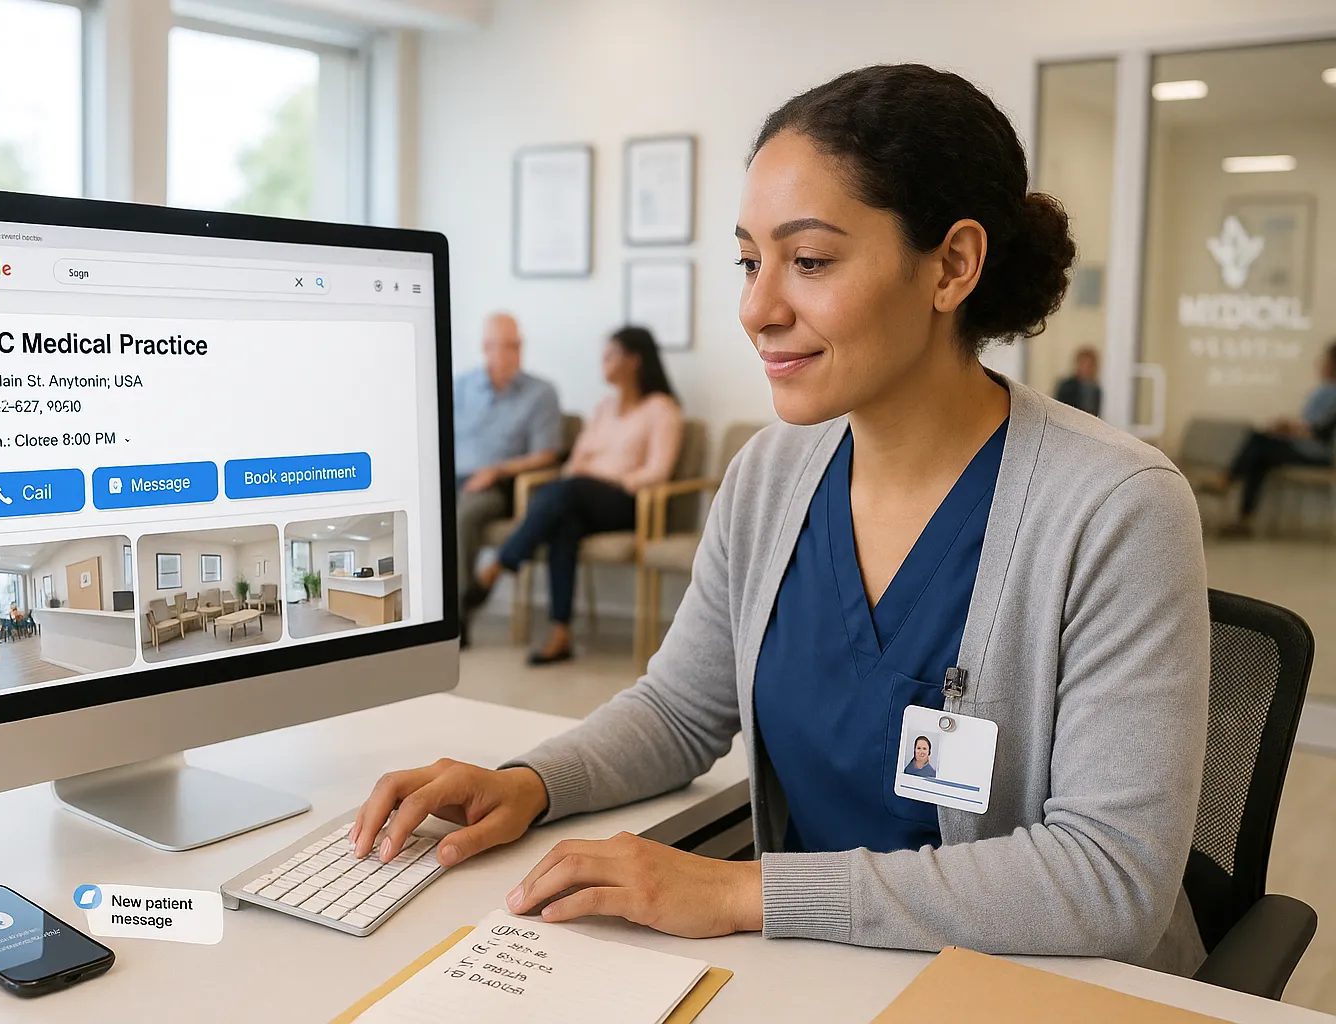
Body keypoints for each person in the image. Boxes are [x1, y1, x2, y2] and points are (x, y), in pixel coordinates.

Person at [352, 65, 1209, 974]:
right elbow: (680, 710)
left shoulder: (1116, 507)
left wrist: (737, 892)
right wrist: (527, 782)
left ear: (952, 265)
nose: (758, 309)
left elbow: (1110, 880)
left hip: (1022, 985)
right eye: (749, 261)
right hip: (820, 966)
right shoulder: (770, 474)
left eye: (808, 261)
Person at [464, 327, 682, 665]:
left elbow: (658, 471)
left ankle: (501, 564)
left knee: (565, 492)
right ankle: (560, 634)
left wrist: (611, 479)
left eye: (610, 355)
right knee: (562, 521)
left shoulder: (661, 409)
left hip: (628, 501)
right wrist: (582, 480)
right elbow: (576, 462)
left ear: (634, 361)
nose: (603, 362)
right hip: (582, 497)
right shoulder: (604, 407)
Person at [452, 313, 563, 644]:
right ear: (486, 348)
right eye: (505, 346)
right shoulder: (461, 387)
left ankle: (456, 615)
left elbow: (548, 456)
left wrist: (497, 471)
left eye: (517, 345)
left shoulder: (540, 393)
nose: (513, 352)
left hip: (501, 485)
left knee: (464, 516)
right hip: (455, 478)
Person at [1213, 341, 1336, 536]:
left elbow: (1320, 431)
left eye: (1327, 360)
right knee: (1259, 455)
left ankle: (1227, 481)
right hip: (1305, 447)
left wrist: (1290, 428)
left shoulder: (1331, 394)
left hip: (1319, 455)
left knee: (1258, 443)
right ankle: (1243, 518)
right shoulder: (1324, 391)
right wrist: (1287, 428)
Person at [1054, 346, 1101, 416]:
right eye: (1083, 363)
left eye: (1089, 365)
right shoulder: (1067, 386)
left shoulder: (1096, 389)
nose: (1085, 368)